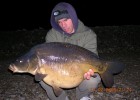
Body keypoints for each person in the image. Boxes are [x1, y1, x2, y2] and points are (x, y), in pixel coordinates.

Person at [39, 2, 101, 100]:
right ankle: (61, 98)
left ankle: (83, 96)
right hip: (59, 71)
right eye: (59, 22)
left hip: (80, 71)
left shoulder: (89, 35)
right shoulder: (52, 35)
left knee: (94, 78)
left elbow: (93, 58)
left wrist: (90, 71)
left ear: (73, 17)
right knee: (42, 76)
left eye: (66, 19)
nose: (63, 25)